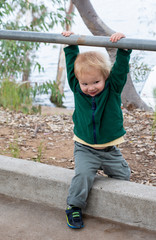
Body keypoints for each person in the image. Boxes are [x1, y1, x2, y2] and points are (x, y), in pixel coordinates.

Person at [62, 31, 132, 229]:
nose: (90, 88)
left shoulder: (113, 88)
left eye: (95, 82)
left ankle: (99, 167)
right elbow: (71, 68)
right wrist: (70, 44)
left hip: (110, 149)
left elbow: (120, 69)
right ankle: (73, 207)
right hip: (85, 147)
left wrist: (124, 49)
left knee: (124, 176)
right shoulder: (77, 88)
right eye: (85, 83)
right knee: (83, 175)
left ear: (105, 78)